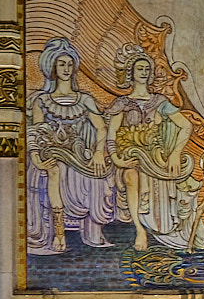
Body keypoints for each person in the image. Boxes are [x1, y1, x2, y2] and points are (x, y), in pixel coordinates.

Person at [26, 37, 115, 253]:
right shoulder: (41, 101)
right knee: (55, 170)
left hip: (80, 155)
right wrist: (36, 157)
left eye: (69, 64)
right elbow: (36, 132)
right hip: (50, 154)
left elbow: (101, 128)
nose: (66, 69)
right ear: (53, 67)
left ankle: (92, 229)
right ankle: (59, 233)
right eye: (61, 64)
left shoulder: (84, 99)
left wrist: (98, 152)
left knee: (98, 172)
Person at [104, 44, 195, 251]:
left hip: (155, 160)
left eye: (147, 69)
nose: (144, 72)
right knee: (130, 176)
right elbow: (112, 133)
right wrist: (116, 158)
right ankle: (140, 230)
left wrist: (176, 153)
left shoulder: (159, 102)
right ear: (131, 73)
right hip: (129, 157)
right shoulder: (122, 103)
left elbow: (186, 125)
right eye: (140, 69)